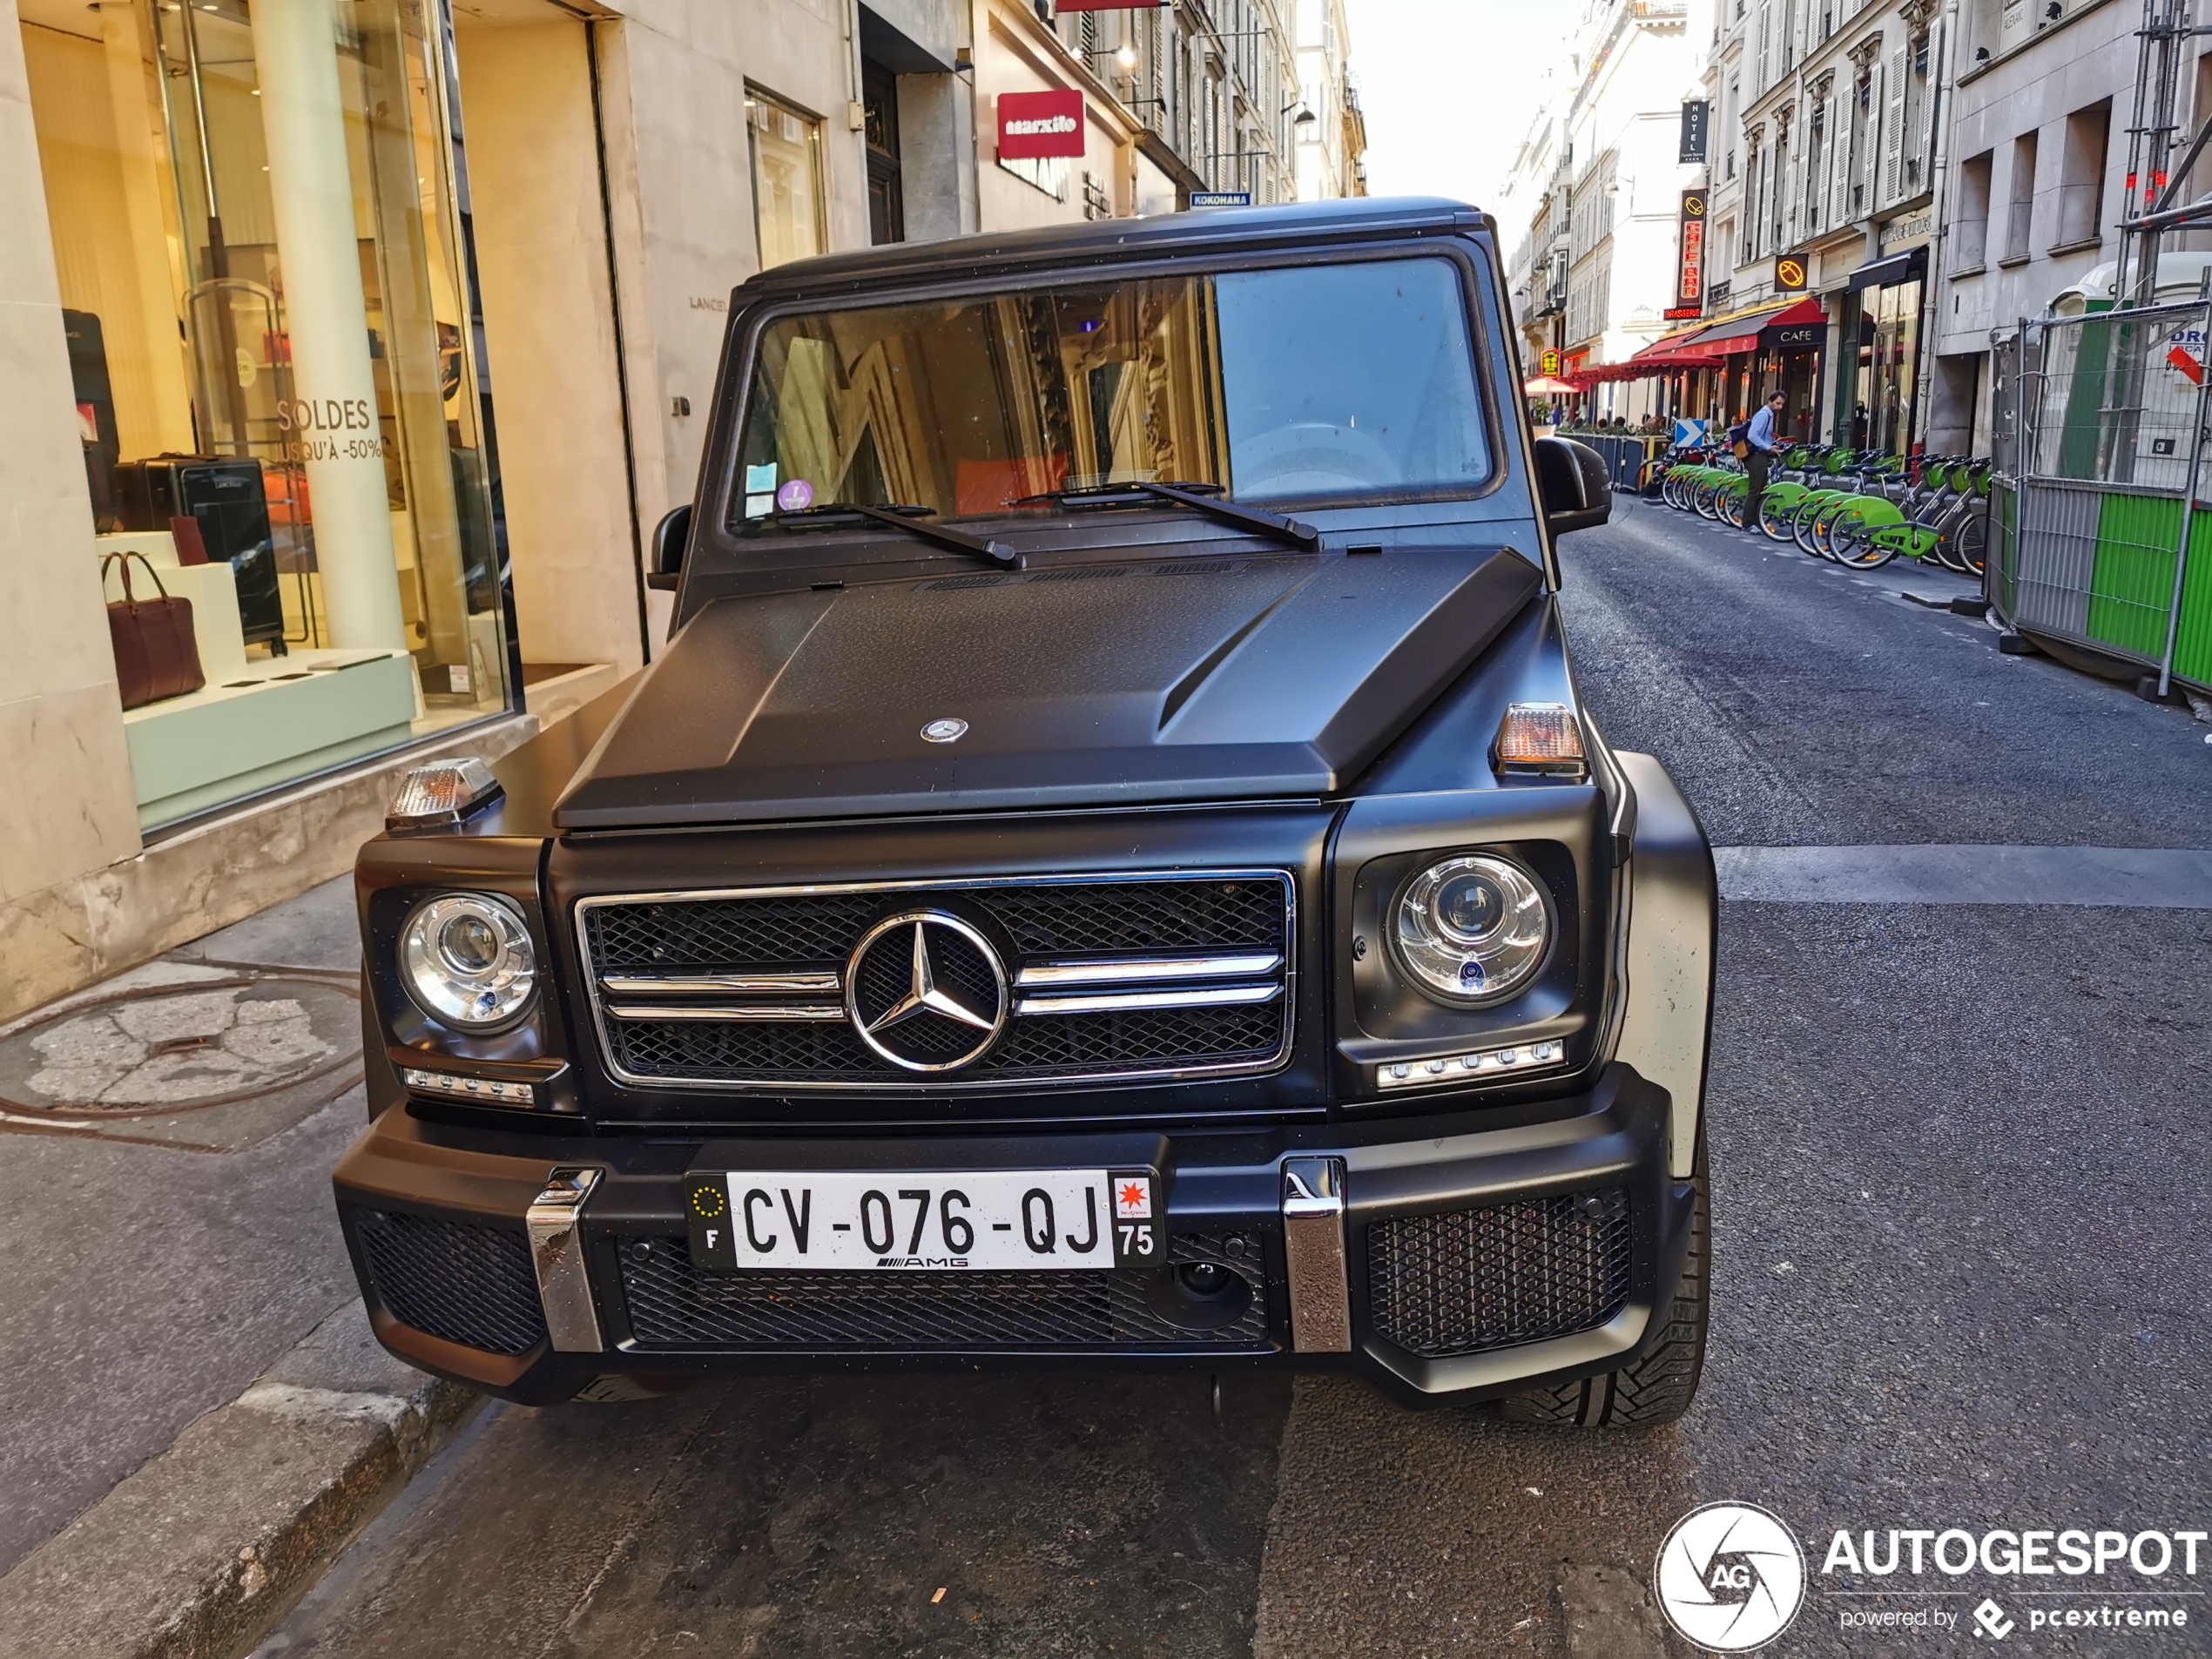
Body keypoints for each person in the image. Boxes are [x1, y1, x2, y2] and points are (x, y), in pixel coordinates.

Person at [1744, 388, 1787, 528]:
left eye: (1782, 404)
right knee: (1755, 491)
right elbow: (1752, 435)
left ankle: (1756, 523)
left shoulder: (1768, 415)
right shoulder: (1764, 415)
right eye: (1777, 403)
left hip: (1760, 455)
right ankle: (1748, 524)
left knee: (1761, 490)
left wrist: (1772, 445)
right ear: (1770, 401)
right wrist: (1768, 447)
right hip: (1756, 456)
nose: (1779, 407)